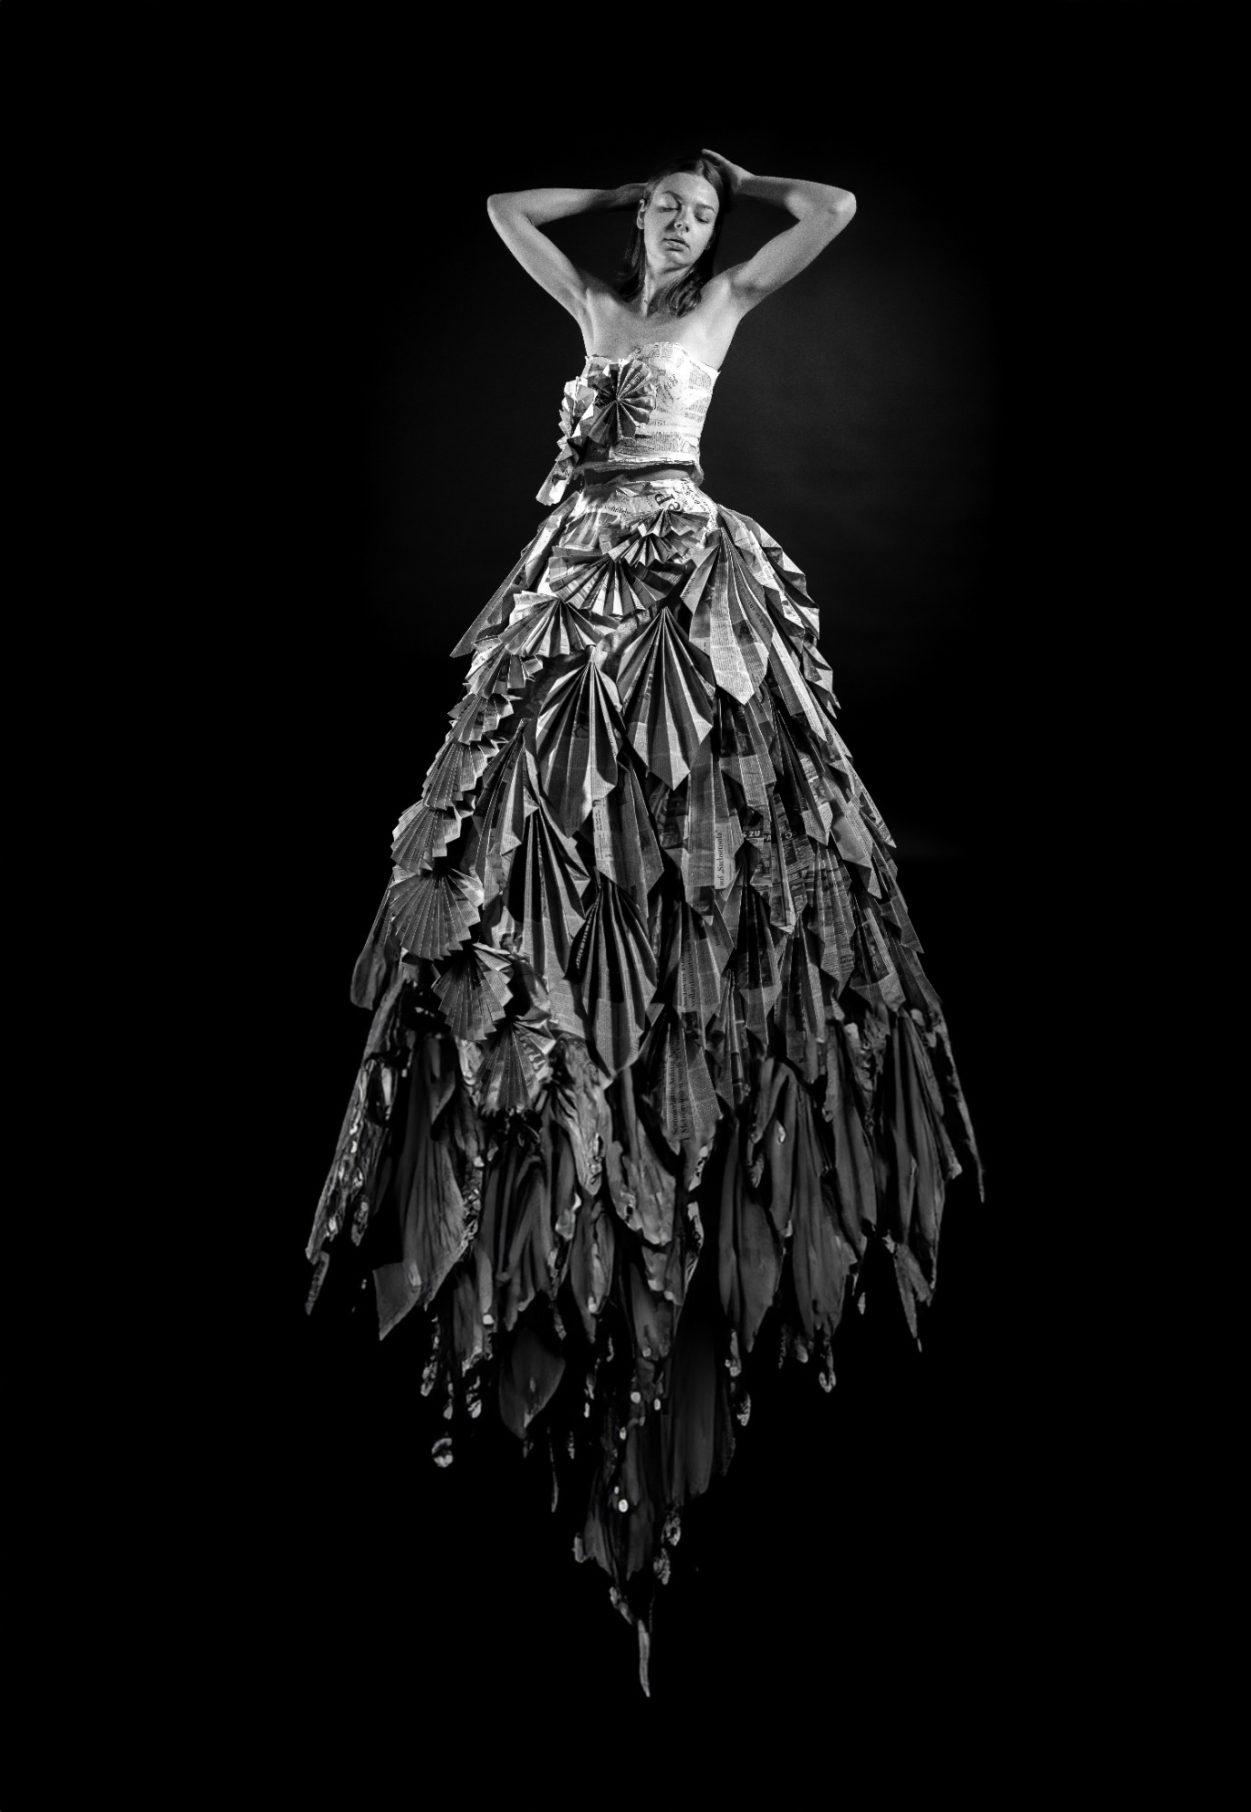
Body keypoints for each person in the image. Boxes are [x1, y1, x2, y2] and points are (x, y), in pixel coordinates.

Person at [307, 149, 980, 1692]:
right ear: (633, 221)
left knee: (707, 789)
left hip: (674, 550)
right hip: (579, 560)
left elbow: (833, 215)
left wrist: (743, 179)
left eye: (698, 214)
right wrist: (620, 187)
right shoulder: (594, 305)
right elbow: (500, 212)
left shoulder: (724, 301)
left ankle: (698, 987)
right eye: (664, 211)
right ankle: (552, 974)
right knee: (542, 792)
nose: (682, 227)